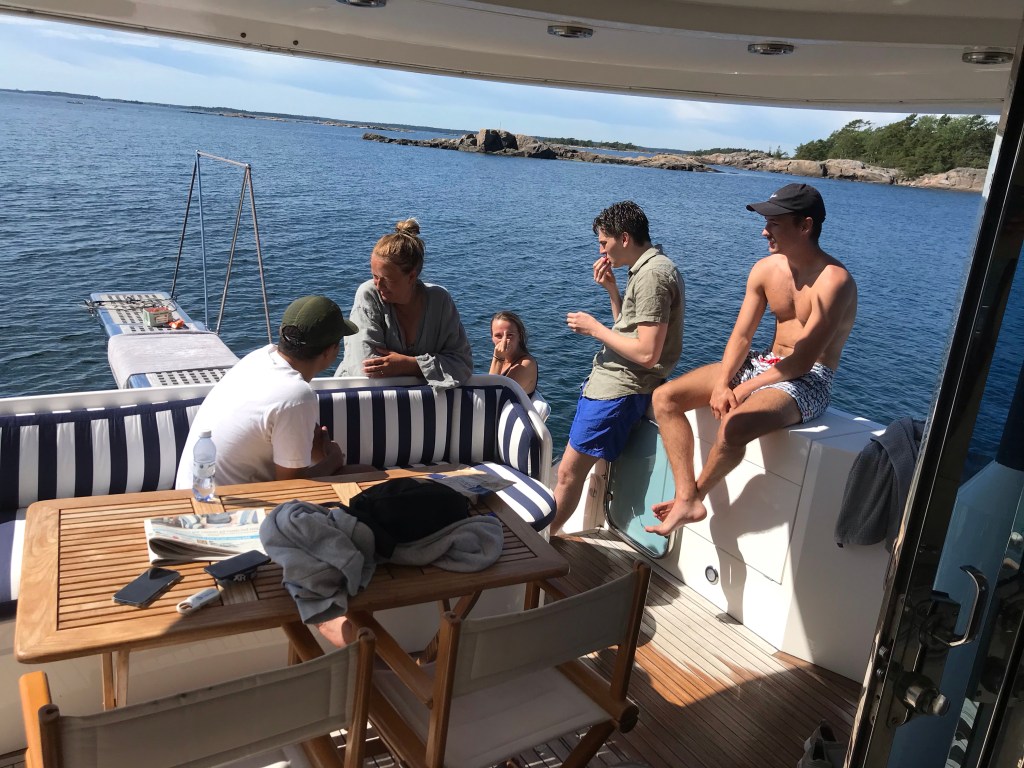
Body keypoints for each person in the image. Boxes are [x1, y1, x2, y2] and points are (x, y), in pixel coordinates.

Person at [646, 183, 857, 536]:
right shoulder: (765, 270)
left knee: (734, 426)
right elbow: (742, 336)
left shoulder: (835, 282)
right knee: (664, 398)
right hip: (767, 364)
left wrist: (743, 390)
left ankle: (696, 495)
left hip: (809, 379)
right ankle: (686, 496)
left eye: (774, 223)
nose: (764, 231)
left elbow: (803, 362)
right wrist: (722, 383)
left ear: (805, 226)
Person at [551, 200, 684, 534]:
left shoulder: (653, 276)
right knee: (570, 473)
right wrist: (612, 290)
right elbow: (629, 332)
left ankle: (541, 542)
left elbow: (648, 353)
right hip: (611, 384)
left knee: (567, 474)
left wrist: (594, 328)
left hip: (619, 389)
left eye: (603, 242)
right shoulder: (645, 269)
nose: (601, 250)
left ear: (624, 238)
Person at [174, 295, 356, 489]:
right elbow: (292, 487)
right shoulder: (297, 395)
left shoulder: (259, 358)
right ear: (330, 350)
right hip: (222, 505)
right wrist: (334, 460)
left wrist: (316, 444)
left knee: (360, 473)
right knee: (364, 477)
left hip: (188, 495)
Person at [337, 218, 473, 389]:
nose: (378, 285)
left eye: (387, 279)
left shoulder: (440, 301)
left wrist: (409, 365)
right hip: (363, 399)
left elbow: (462, 364)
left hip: (422, 402)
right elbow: (366, 369)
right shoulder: (369, 294)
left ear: (411, 276)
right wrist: (430, 368)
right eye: (374, 276)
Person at [488, 311, 538, 396]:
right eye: (498, 336)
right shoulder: (503, 360)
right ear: (492, 337)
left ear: (520, 336)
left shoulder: (527, 363)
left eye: (510, 335)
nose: (504, 340)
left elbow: (493, 396)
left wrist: (497, 358)